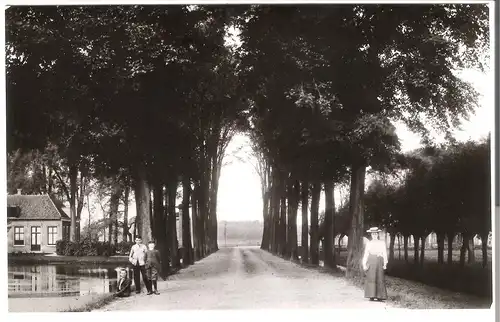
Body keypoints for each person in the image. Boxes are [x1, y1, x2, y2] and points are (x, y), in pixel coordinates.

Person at [362, 227, 388, 301]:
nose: (374, 235)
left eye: (375, 234)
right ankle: (371, 295)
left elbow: (384, 253)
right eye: (373, 234)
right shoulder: (369, 243)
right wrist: (364, 264)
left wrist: (385, 263)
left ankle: (380, 296)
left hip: (379, 261)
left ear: (378, 234)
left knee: (379, 277)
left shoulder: (381, 243)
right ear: (371, 234)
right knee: (371, 277)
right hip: (371, 261)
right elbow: (366, 254)